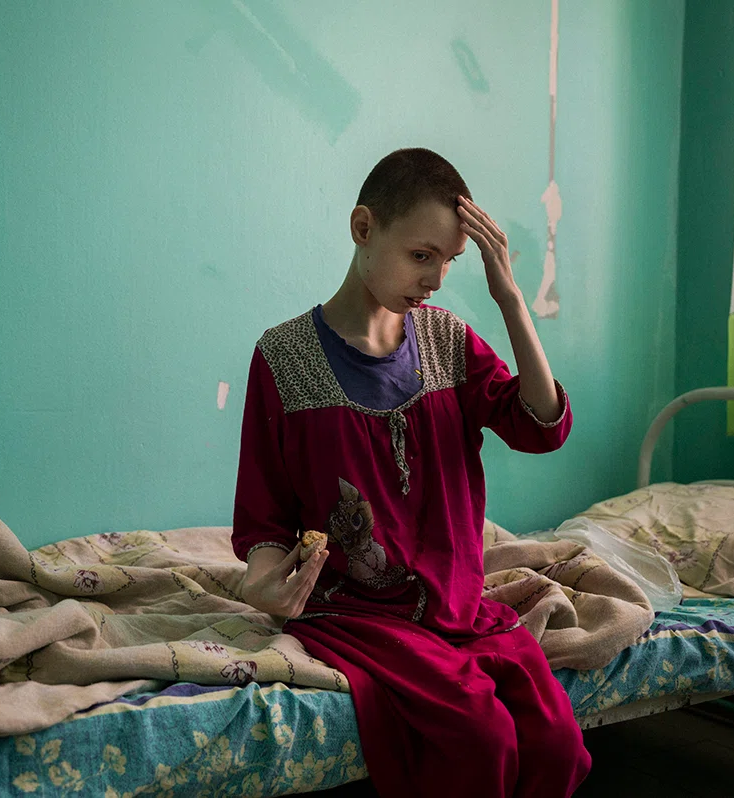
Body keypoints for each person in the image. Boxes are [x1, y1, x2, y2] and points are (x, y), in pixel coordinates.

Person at [231, 147, 590, 797]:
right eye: (422, 255)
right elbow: (264, 516)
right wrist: (262, 584)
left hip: (459, 607)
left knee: (557, 742)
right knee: (481, 738)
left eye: (450, 260)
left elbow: (541, 427)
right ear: (363, 228)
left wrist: (510, 299)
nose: (437, 279)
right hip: (355, 615)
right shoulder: (282, 357)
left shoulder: (449, 342)